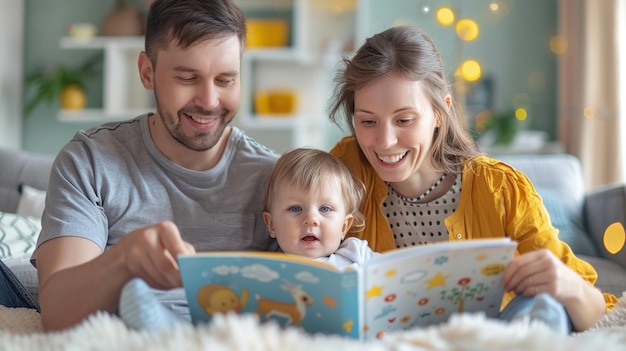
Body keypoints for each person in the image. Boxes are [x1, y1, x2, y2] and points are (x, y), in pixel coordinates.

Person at [327, 25, 617, 334]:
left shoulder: (501, 189)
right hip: (389, 336)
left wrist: (567, 286)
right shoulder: (342, 169)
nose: (384, 141)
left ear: (441, 111)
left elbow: (598, 311)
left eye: (404, 120)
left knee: (544, 309)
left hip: (489, 334)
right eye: (368, 121)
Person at [32, 0, 279, 332]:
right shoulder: (88, 161)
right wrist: (124, 259)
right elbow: (57, 314)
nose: (209, 101)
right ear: (147, 72)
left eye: (225, 80)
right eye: (188, 78)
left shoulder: (275, 177)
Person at [262, 148, 378, 270]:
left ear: (344, 226)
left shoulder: (356, 254)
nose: (311, 219)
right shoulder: (266, 270)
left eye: (325, 209)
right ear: (271, 225)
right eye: (295, 208)